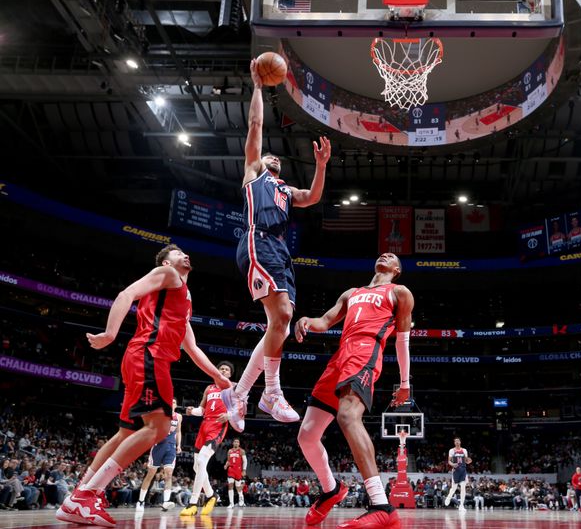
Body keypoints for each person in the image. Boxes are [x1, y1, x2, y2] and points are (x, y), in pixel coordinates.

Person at [56, 245, 231, 527]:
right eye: (177, 253)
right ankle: (85, 497)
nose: (184, 255)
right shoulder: (167, 274)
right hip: (150, 356)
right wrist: (111, 333)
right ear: (165, 261)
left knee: (126, 433)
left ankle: (79, 497)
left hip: (142, 358)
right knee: (160, 427)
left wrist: (218, 378)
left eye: (185, 252)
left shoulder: (183, 299)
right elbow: (127, 294)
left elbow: (192, 347)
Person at [221, 58, 332, 430]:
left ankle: (238, 395)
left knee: (278, 327)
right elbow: (255, 124)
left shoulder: (286, 189)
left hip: (281, 252)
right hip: (258, 241)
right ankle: (270, 392)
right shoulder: (254, 173)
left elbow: (314, 198)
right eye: (269, 154)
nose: (272, 155)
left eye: (276, 157)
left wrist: (321, 165)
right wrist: (257, 86)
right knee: (282, 317)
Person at [294, 253, 413, 528]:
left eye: (392, 256)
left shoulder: (399, 292)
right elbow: (325, 321)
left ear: (396, 269)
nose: (385, 254)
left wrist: (405, 384)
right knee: (307, 435)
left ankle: (381, 505)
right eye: (382, 253)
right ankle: (331, 490)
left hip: (365, 352)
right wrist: (308, 320)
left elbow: (403, 341)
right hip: (339, 357)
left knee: (347, 416)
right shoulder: (352, 293)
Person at [180, 362, 235, 516]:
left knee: (202, 460)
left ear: (230, 374)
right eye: (221, 368)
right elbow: (202, 409)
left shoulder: (232, 388)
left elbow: (240, 409)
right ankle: (211, 495)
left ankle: (192, 503)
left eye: (227, 369)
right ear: (216, 371)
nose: (223, 370)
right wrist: (193, 411)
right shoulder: (209, 388)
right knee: (197, 467)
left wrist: (229, 415)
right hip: (204, 426)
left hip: (217, 426)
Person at [136, 398, 182, 511]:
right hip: (158, 446)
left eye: (174, 402)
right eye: (170, 401)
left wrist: (179, 445)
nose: (172, 403)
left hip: (171, 447)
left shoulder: (179, 416)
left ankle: (166, 502)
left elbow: (178, 431)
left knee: (169, 474)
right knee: (150, 474)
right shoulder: (161, 414)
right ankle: (140, 501)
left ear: (176, 405)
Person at [444, 438, 472, 511]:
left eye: (458, 441)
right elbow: (449, 461)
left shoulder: (464, 450)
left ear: (460, 442)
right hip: (456, 470)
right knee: (454, 488)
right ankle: (449, 497)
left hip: (463, 470)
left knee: (463, 488)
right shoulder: (451, 450)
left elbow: (466, 460)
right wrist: (453, 464)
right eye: (455, 441)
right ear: (454, 443)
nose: (457, 442)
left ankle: (461, 505)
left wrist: (468, 461)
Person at [225, 439, 247, 508]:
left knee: (238, 487)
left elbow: (245, 461)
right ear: (233, 443)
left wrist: (244, 470)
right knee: (230, 485)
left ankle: (241, 499)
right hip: (231, 470)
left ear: (239, 443)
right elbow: (228, 461)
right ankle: (231, 503)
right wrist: (226, 465)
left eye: (237, 442)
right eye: (235, 442)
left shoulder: (242, 451)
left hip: (238, 470)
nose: (236, 443)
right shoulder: (229, 451)